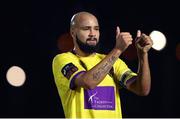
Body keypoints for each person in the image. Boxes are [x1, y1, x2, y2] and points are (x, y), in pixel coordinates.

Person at [52, 11, 153, 118]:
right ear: (73, 32)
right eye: (86, 29)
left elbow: (142, 89)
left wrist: (142, 56)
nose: (92, 33)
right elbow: (88, 82)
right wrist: (118, 49)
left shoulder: (114, 62)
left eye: (96, 29)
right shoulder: (63, 59)